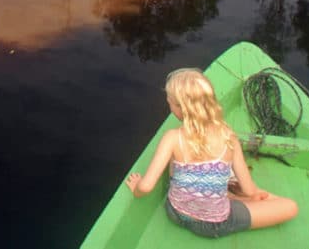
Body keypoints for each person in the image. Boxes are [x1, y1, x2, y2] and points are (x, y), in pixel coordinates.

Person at [125, 68, 299, 238]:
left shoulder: (171, 137)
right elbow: (249, 190)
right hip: (214, 225)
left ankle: (224, 195)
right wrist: (256, 195)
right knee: (290, 207)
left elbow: (146, 187)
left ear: (181, 108)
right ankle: (229, 197)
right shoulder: (229, 137)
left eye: (170, 102)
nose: (170, 106)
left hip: (175, 213)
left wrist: (136, 189)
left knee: (177, 156)